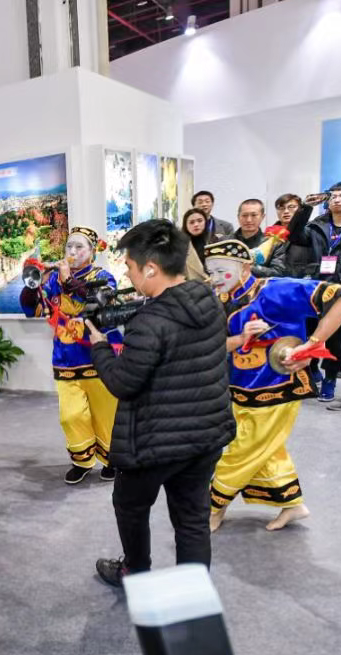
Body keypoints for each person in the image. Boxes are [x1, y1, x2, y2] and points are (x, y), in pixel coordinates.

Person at [86, 220, 235, 588]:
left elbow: (123, 383)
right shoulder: (208, 300)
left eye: (130, 266)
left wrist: (100, 348)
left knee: (130, 506)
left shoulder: (150, 322)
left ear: (150, 268)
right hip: (205, 435)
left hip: (153, 443)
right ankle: (193, 591)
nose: (127, 272)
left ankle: (134, 570)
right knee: (192, 518)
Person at [205, 239, 341, 533]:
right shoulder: (220, 299)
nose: (215, 277)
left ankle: (212, 507)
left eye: (222, 270)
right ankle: (292, 503)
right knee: (265, 449)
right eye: (211, 271)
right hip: (239, 387)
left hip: (277, 386)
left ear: (246, 267)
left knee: (241, 448)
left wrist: (311, 345)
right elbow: (214, 345)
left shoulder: (274, 290)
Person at [20, 227, 121, 485]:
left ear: (92, 252)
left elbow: (100, 300)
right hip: (65, 358)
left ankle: (111, 460)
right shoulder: (53, 279)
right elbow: (32, 308)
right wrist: (33, 283)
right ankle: (81, 461)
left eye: (79, 247)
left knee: (106, 414)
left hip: (99, 358)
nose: (72, 252)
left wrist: (67, 281)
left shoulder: (104, 276)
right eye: (69, 247)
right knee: (71, 415)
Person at [286, 183, 341, 404]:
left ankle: (331, 377)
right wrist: (305, 208)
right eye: (333, 196)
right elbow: (293, 235)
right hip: (316, 286)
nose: (336, 199)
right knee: (310, 331)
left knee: (337, 338)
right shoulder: (317, 225)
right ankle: (312, 370)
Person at [231, 199, 287, 277]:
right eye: (244, 215)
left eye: (254, 215)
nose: (249, 220)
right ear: (238, 217)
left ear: (262, 217)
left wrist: (251, 268)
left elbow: (278, 272)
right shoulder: (225, 241)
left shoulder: (274, 244)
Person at [275, 194, 315, 279]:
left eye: (291, 207)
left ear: (300, 209)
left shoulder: (309, 232)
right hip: (275, 280)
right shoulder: (270, 233)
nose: (286, 211)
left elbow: (297, 228)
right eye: (281, 208)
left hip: (299, 280)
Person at [181, 208, 210, 282]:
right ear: (185, 225)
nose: (196, 225)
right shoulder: (180, 246)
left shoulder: (216, 240)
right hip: (191, 286)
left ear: (205, 222)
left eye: (200, 221)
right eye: (191, 222)